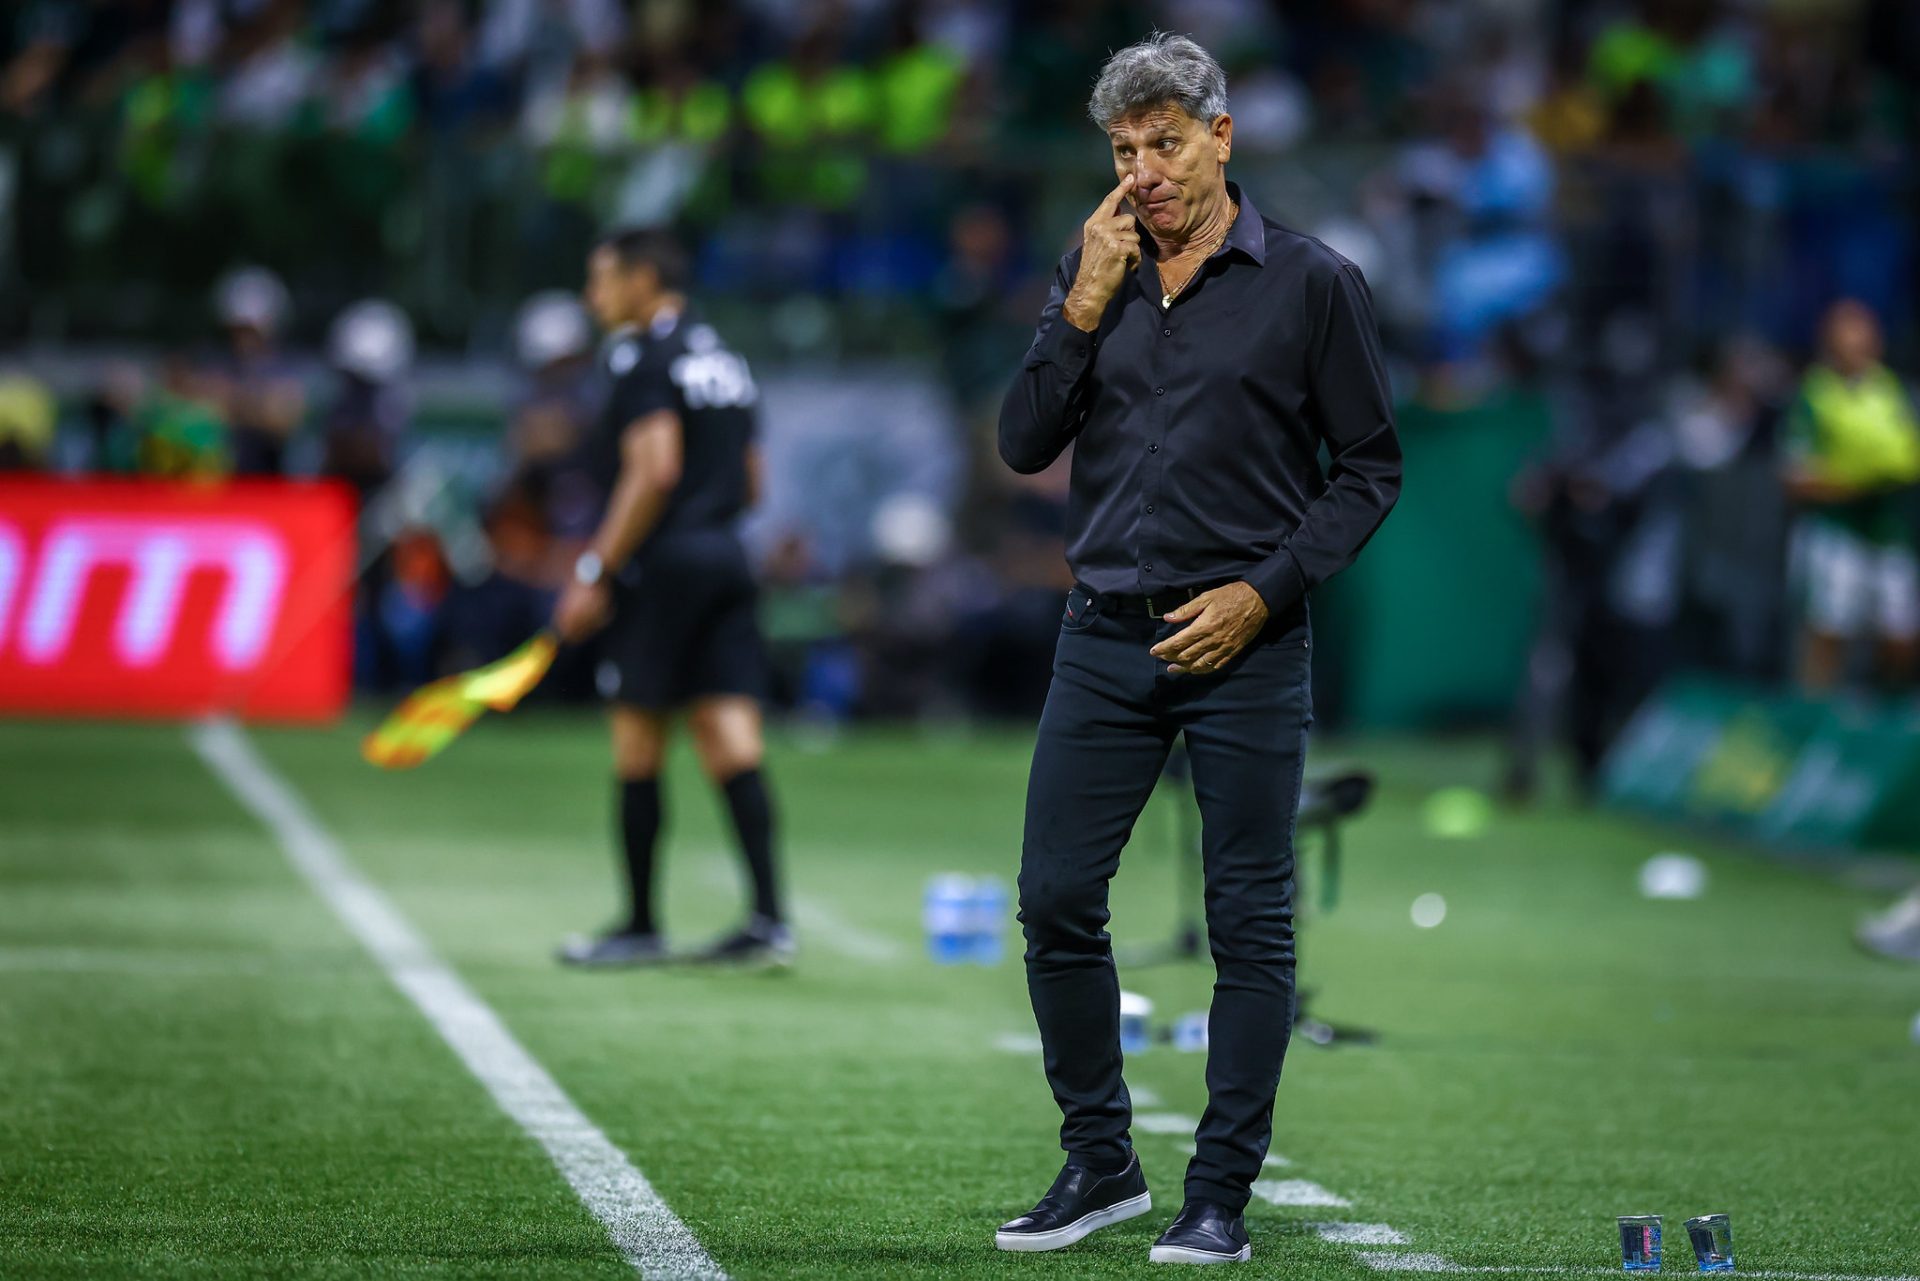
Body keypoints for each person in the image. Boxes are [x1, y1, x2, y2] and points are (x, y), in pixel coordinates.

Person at [994, 34, 1401, 1266]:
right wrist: (1081, 297)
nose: (1144, 172)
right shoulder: (1095, 266)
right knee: (1056, 898)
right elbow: (1022, 444)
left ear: (1222, 135)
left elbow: (1371, 469)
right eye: (1124, 151)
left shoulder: (1314, 283)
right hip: (1102, 636)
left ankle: (1218, 1193)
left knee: (1250, 922)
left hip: (1248, 648)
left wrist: (1263, 593)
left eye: (1165, 144)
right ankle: (1102, 1162)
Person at [553, 227, 792, 968]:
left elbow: (653, 470)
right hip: (725, 555)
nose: (594, 297)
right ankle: (767, 921)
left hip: (664, 566)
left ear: (643, 279)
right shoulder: (723, 357)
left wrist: (596, 568)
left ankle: (640, 923)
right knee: (731, 736)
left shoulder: (639, 357)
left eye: (602, 280)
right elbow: (754, 483)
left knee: (637, 737)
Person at [1783, 299, 1920, 692]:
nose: (1857, 341)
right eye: (1846, 331)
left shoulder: (1895, 392)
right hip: (1835, 531)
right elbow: (1794, 478)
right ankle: (1813, 722)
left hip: (1889, 530)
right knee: (1828, 631)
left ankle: (1887, 716)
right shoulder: (1814, 395)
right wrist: (1856, 481)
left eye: (1864, 331)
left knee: (1901, 635)